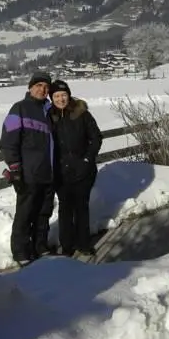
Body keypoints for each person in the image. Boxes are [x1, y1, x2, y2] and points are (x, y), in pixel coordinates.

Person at [0, 71, 55, 266]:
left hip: (48, 173)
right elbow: (7, 142)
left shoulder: (49, 111)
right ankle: (21, 252)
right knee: (25, 214)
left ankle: (40, 246)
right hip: (28, 174)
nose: (42, 89)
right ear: (30, 87)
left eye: (46, 87)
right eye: (38, 85)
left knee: (43, 213)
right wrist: (15, 169)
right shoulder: (19, 109)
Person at [48, 79, 103, 257]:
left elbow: (96, 138)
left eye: (63, 95)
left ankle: (84, 244)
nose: (60, 99)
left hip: (83, 171)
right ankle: (67, 246)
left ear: (69, 95)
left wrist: (87, 159)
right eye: (56, 96)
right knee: (65, 209)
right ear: (52, 98)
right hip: (60, 172)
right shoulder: (49, 116)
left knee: (81, 207)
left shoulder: (82, 114)